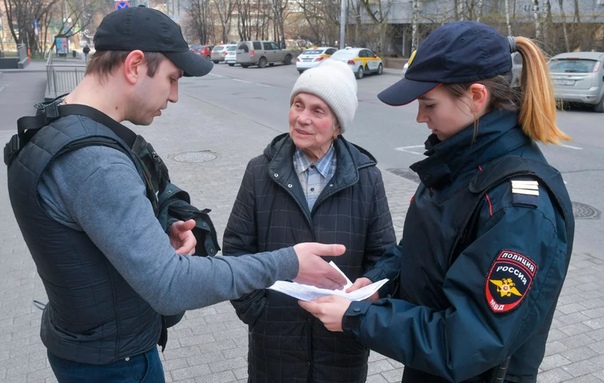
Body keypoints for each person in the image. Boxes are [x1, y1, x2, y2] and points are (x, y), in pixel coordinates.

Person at [5, 6, 347, 383]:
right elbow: (170, 286)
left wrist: (151, 237)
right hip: (117, 364)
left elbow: (87, 240)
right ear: (135, 65)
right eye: (172, 79)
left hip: (86, 342)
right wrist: (288, 262)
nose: (175, 96)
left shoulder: (54, 122)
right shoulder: (96, 162)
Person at [299, 21, 575, 383]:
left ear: (477, 97)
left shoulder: (517, 207)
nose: (420, 117)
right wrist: (375, 282)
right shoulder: (459, 166)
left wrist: (358, 318)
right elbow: (422, 249)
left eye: (429, 104)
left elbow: (467, 340)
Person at [222, 59, 397, 383]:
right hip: (273, 347)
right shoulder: (260, 172)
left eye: (318, 111)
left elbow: (385, 255)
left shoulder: (366, 178)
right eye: (298, 105)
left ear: (338, 125)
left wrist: (366, 296)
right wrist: (259, 312)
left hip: (342, 344)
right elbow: (236, 250)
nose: (302, 118)